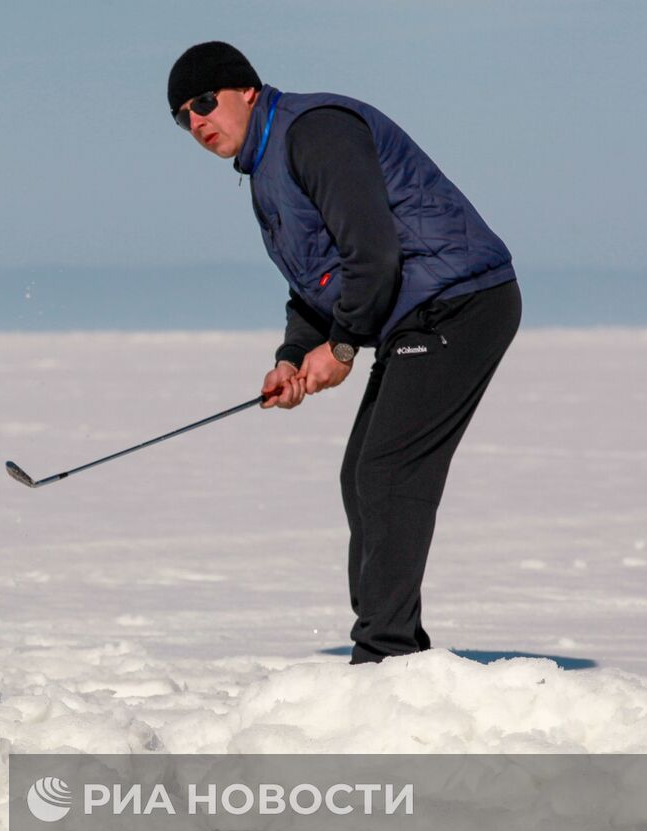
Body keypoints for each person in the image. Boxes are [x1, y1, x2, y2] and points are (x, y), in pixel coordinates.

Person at [168, 41, 521, 665]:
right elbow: (315, 278)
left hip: (460, 303)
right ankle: (397, 650)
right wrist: (294, 353)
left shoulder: (315, 132)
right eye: (182, 117)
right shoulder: (265, 169)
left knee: (386, 474)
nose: (197, 122)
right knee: (363, 474)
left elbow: (373, 252)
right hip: (417, 312)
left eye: (203, 102)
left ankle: (383, 655)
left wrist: (342, 345)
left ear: (246, 90)